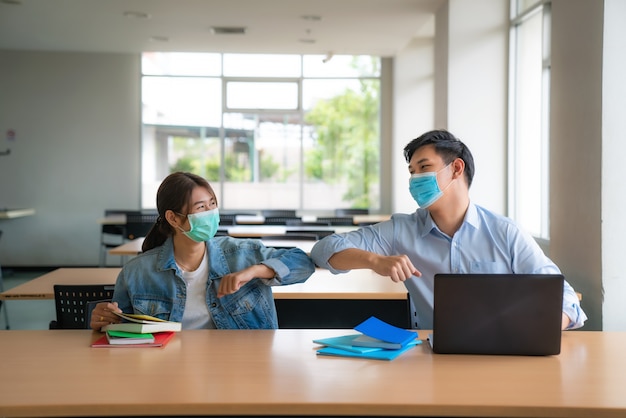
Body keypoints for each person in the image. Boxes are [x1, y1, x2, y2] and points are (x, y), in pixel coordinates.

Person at [311, 129, 587, 330]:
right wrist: (375, 260)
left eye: (424, 167)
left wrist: (538, 330)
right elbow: (324, 250)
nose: (414, 179)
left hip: (503, 356)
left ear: (456, 168)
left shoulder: (505, 232)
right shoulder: (401, 230)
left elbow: (562, 294)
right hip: (430, 357)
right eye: (411, 171)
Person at [90, 172, 315, 330]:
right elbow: (119, 327)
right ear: (173, 218)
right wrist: (104, 321)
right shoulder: (136, 272)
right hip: (168, 371)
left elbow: (303, 263)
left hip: (241, 368)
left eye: (212, 204)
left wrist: (254, 271)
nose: (210, 213)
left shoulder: (243, 253)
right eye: (201, 208)